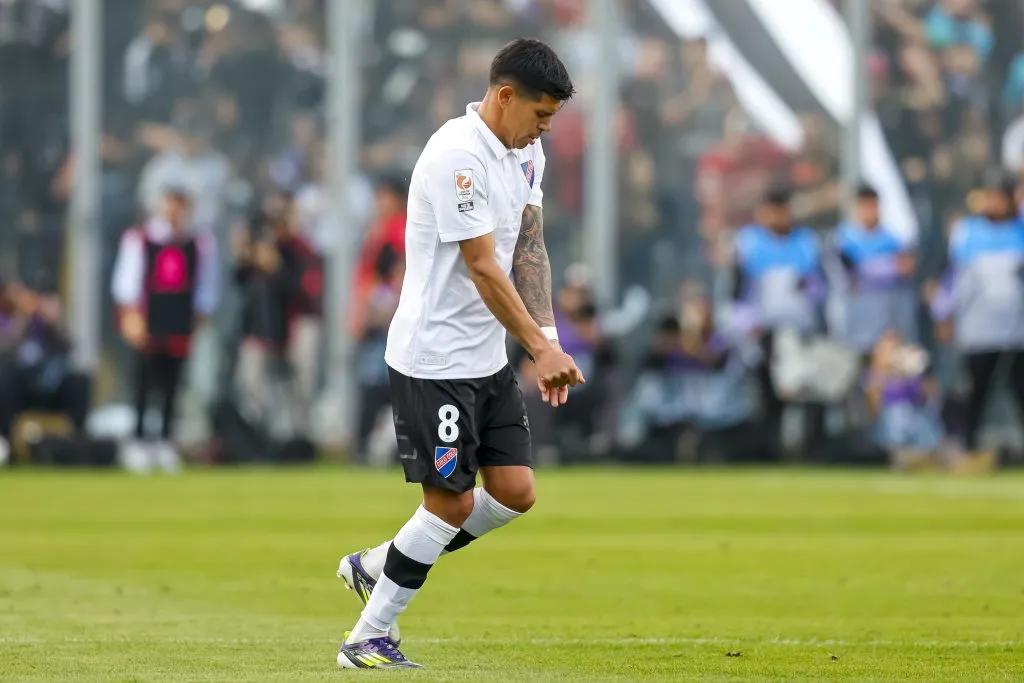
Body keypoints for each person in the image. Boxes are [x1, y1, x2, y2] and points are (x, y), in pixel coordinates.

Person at [334, 38, 583, 669]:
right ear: (504, 96)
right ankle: (366, 637)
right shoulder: (456, 157)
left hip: (485, 358)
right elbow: (481, 267)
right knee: (450, 504)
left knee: (515, 492)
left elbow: (527, 249)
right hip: (434, 360)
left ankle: (381, 564)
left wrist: (548, 342)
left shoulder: (528, 155)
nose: (543, 131)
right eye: (540, 116)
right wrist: (536, 348)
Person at [111, 187, 219, 473]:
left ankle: (165, 440)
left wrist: (199, 316)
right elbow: (126, 283)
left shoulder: (198, 243)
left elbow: (206, 286)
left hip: (179, 318)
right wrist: (131, 316)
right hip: (150, 316)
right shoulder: (141, 239)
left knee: (172, 384)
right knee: (144, 382)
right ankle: (138, 440)